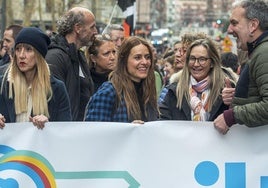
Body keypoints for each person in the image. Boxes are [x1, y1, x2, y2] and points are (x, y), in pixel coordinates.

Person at [0, 27, 72, 129]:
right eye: (18, 49)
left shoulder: (56, 88)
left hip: (41, 145)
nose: (21, 55)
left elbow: (65, 129)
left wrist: (48, 125)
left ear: (39, 55)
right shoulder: (2, 84)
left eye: (28, 49)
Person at [214, 0, 268, 134]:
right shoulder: (258, 51)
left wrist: (231, 117)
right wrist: (239, 97)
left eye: (234, 23)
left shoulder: (264, 53)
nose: (229, 30)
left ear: (253, 25)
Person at [159, 38, 237, 121]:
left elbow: (239, 119)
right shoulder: (174, 91)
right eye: (192, 58)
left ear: (212, 63)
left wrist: (232, 104)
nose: (196, 64)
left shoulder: (225, 91)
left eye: (202, 59)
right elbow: (162, 122)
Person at [84, 36, 159, 122]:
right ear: (124, 60)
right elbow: (93, 131)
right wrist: (127, 130)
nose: (145, 62)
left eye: (147, 57)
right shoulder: (109, 92)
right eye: (137, 57)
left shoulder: (148, 92)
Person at [45, 7, 98, 121]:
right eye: (92, 27)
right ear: (78, 28)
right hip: (64, 133)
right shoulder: (55, 57)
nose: (96, 32)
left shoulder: (79, 56)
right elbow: (54, 101)